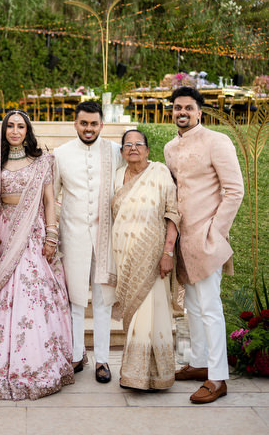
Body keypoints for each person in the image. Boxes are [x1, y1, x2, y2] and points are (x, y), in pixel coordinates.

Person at [0, 109, 74, 400]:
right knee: (0, 297)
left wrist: (51, 234)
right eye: (10, 125)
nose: (14, 130)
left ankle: (38, 364)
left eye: (20, 126)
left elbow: (49, 199)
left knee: (33, 295)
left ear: (27, 130)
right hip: (2, 233)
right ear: (4, 129)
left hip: (33, 233)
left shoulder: (42, 161)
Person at [164, 86, 244, 404]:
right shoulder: (170, 148)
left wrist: (216, 232)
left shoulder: (216, 141)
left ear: (200, 111)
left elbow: (234, 190)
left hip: (206, 237)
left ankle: (218, 377)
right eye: (177, 107)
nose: (181, 112)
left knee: (210, 307)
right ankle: (199, 364)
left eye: (188, 107)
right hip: (183, 240)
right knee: (192, 307)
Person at [53, 101, 122, 383]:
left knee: (103, 301)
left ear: (102, 125)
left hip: (107, 238)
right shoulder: (60, 154)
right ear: (75, 124)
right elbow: (51, 197)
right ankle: (76, 355)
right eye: (84, 123)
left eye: (94, 124)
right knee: (76, 300)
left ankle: (103, 360)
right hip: (73, 237)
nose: (89, 128)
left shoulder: (116, 152)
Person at [112, 129, 179, 391]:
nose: (133, 148)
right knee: (134, 312)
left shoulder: (160, 172)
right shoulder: (118, 176)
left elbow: (172, 213)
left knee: (152, 311)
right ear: (121, 152)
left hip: (153, 257)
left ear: (148, 150)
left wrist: (168, 252)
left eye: (139, 144)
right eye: (127, 145)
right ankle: (135, 373)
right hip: (124, 256)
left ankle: (155, 374)